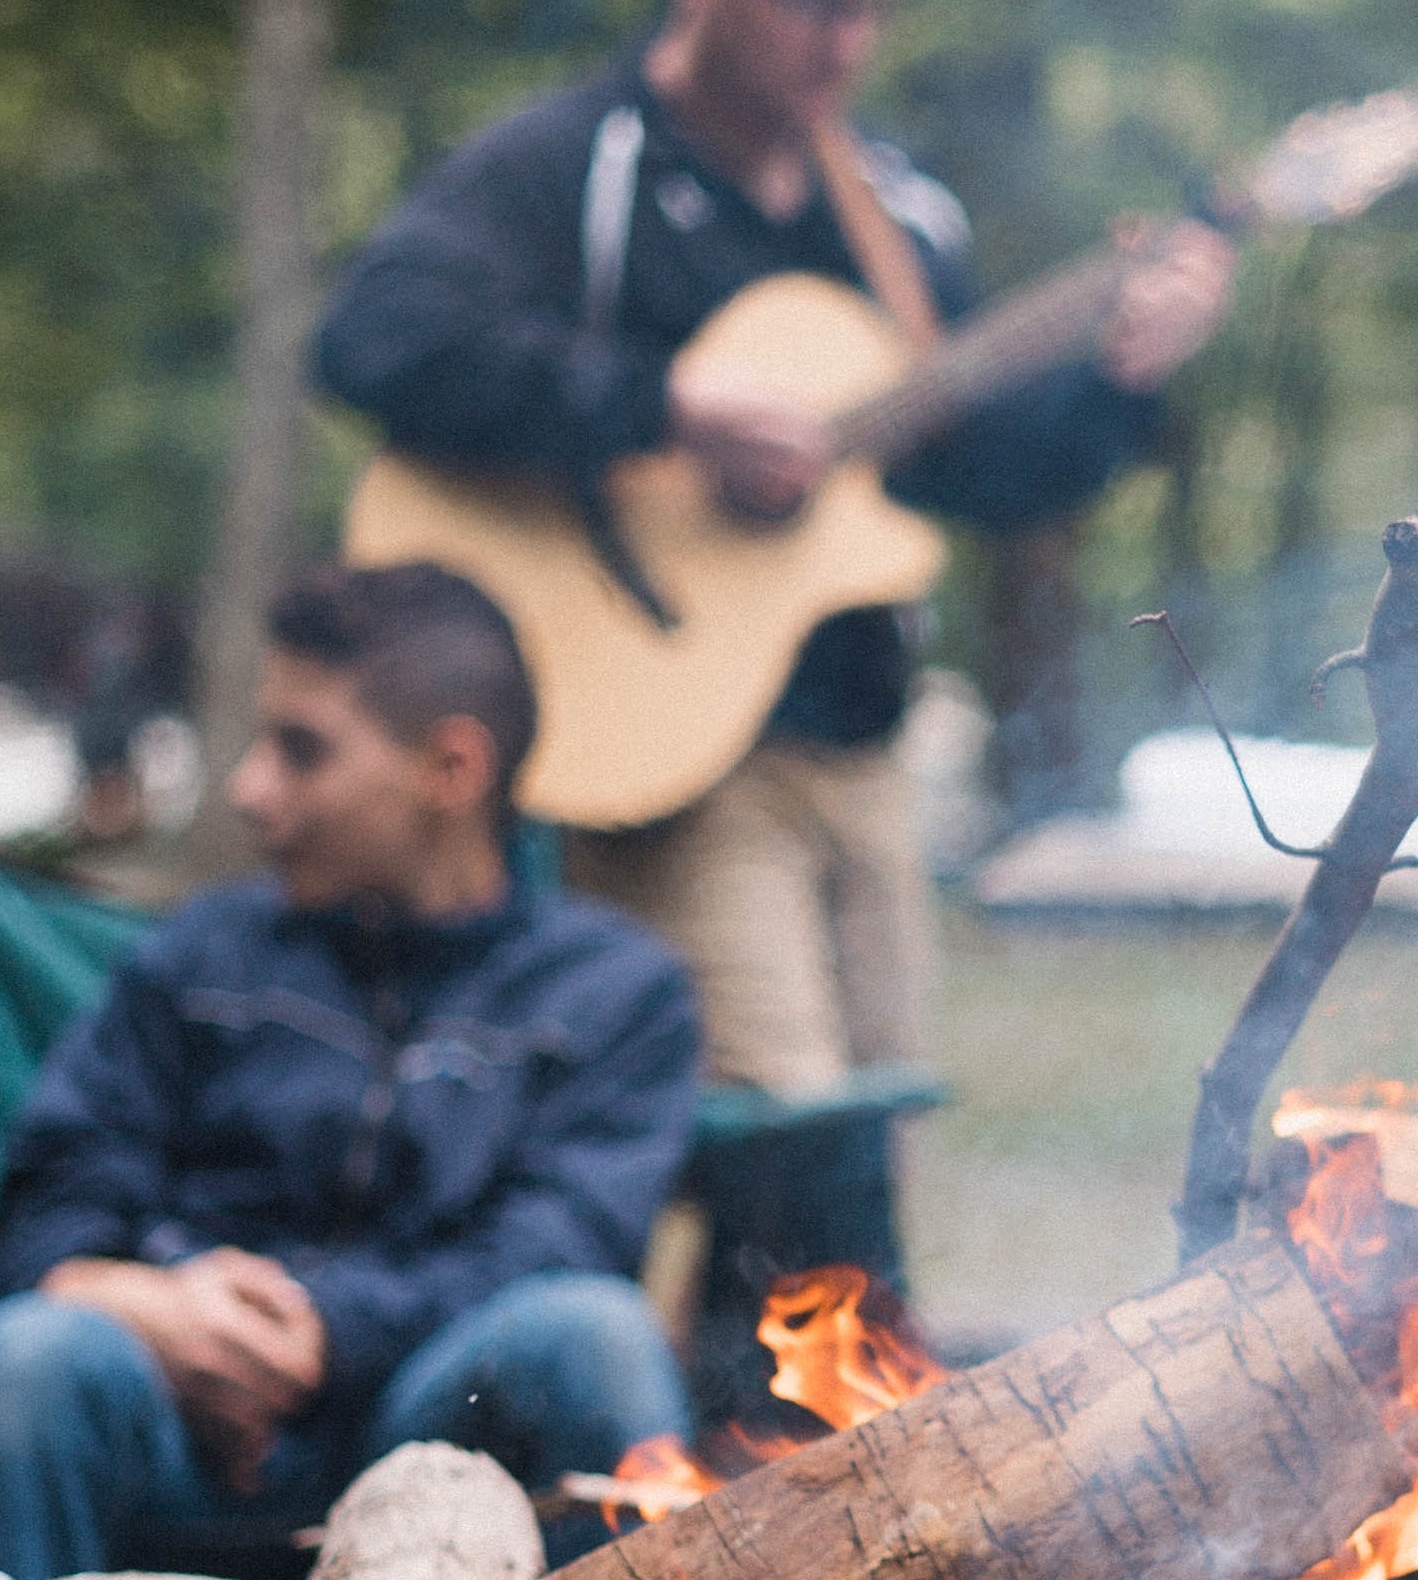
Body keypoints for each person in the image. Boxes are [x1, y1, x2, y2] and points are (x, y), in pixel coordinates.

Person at [315, 0, 1235, 1101]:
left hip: (861, 752)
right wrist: (662, 406)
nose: (844, 44)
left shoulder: (899, 214)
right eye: (814, 9)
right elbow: (374, 339)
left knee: (877, 1121)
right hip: (670, 750)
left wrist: (1118, 384)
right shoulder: (576, 162)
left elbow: (976, 476)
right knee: (780, 1122)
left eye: (868, 14)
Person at [0, 564, 700, 1580]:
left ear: (451, 767)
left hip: (431, 1430)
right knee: (35, 1354)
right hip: (179, 1423)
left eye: (302, 750)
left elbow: (559, 1242)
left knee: (594, 1335)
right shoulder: (201, 951)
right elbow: (56, 1189)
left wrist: (323, 1329)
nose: (249, 788)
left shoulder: (616, 991)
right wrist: (142, 1302)